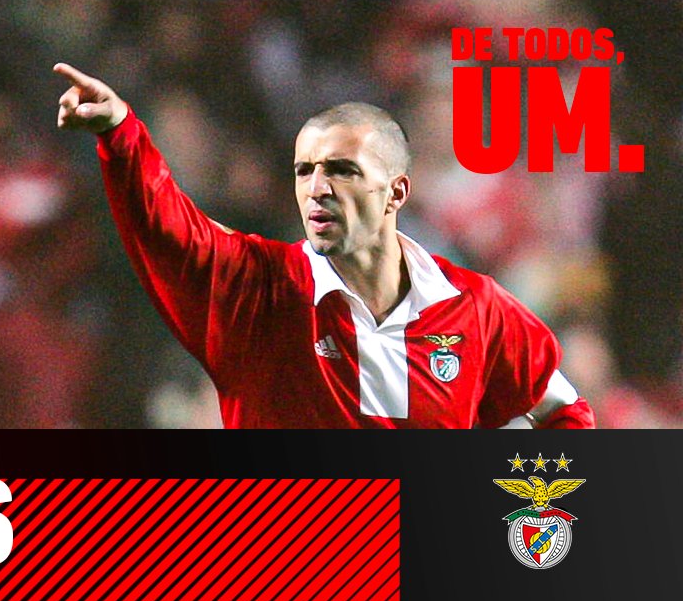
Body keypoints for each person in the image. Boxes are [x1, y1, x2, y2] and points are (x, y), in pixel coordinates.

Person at [53, 62, 595, 429]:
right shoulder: (261, 289)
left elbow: (564, 413)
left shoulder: (474, 308)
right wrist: (121, 134)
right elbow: (168, 229)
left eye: (341, 171)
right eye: (303, 170)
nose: (317, 188)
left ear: (396, 192)